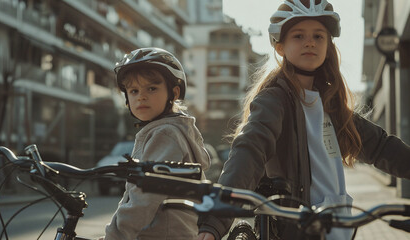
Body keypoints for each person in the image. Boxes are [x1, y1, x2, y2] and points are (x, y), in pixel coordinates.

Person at [197, 0, 410, 239]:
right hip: (296, 230)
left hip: (336, 230)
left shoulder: (330, 102)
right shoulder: (274, 100)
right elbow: (249, 152)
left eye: (318, 36)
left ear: (328, 45)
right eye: (298, 36)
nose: (310, 42)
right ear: (280, 46)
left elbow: (380, 146)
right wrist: (214, 222)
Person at [104, 47, 211, 240]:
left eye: (151, 88)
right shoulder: (172, 130)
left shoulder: (165, 134)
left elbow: (145, 196)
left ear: (174, 93)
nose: (141, 96)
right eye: (134, 91)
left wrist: (116, 235)